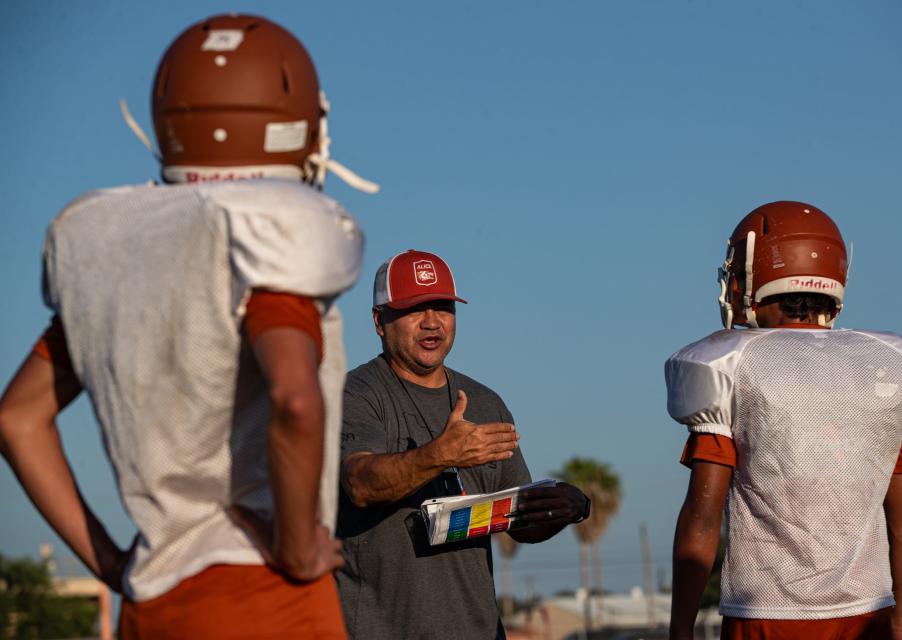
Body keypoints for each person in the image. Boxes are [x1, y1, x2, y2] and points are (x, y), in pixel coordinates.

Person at [0, 14, 377, 639]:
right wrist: (295, 550)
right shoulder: (268, 245)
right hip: (264, 596)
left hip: (152, 604)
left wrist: (114, 564)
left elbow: (16, 419)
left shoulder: (121, 260)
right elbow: (296, 400)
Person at [665, 201, 902, 640]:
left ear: (751, 276)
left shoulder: (732, 363)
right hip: (870, 614)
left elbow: (702, 519)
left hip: (765, 613)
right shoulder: (889, 366)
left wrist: (680, 631)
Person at [336, 249, 591, 639]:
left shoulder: (486, 403)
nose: (432, 322)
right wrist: (441, 455)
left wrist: (563, 509)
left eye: (443, 307)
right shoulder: (355, 395)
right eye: (415, 309)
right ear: (379, 321)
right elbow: (360, 483)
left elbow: (519, 524)